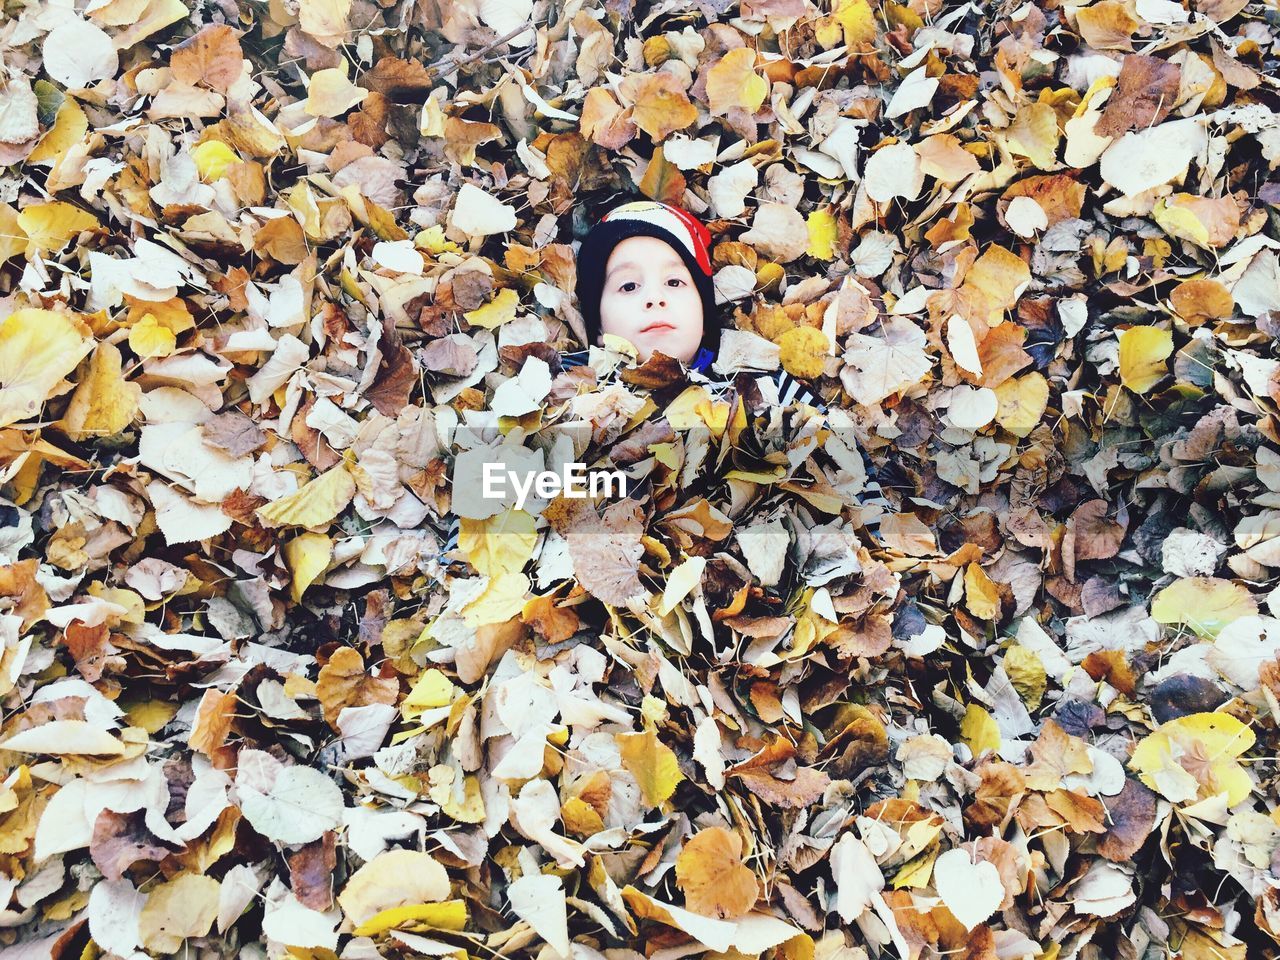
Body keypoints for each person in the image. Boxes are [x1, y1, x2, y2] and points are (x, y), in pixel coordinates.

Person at [434, 199, 886, 561]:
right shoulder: (555, 386)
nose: (654, 298)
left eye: (675, 284)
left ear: (704, 312)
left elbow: (846, 469)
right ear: (596, 323)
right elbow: (482, 486)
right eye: (629, 287)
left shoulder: (763, 386)